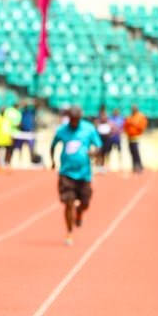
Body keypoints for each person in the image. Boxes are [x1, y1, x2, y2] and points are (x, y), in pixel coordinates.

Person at [50, 105, 103, 247]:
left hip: (84, 174)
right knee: (68, 203)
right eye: (72, 119)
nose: (74, 121)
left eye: (76, 119)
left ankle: (79, 212)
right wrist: (52, 161)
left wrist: (94, 153)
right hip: (66, 173)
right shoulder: (62, 130)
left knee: (85, 203)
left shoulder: (88, 129)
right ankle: (69, 231)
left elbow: (99, 145)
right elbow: (53, 145)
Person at [123, 105, 148, 173]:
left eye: (134, 109)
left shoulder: (140, 117)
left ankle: (139, 166)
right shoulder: (129, 117)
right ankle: (134, 166)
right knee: (131, 152)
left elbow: (142, 126)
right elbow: (125, 126)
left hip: (137, 138)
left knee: (136, 152)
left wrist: (134, 124)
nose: (133, 110)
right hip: (129, 137)